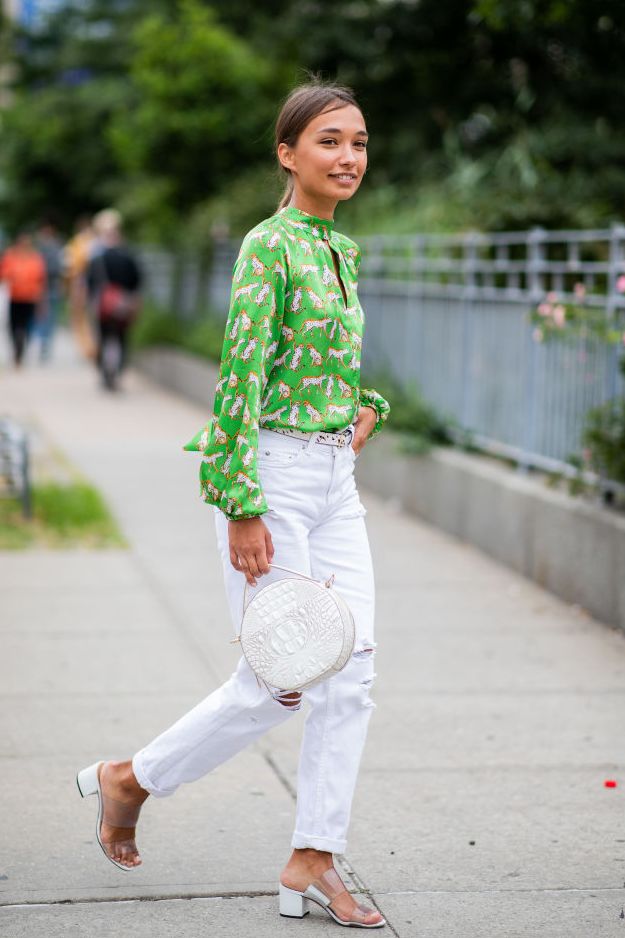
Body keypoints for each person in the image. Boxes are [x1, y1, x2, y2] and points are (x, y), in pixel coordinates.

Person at [76, 82, 390, 929]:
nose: (348, 157)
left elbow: (307, 356)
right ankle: (130, 780)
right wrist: (241, 499)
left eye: (358, 142)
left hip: (333, 479)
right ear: (288, 155)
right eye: (329, 141)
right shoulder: (267, 245)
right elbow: (239, 378)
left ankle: (312, 856)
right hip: (271, 476)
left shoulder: (338, 250)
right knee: (277, 683)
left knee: (351, 674)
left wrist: (364, 406)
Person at [85, 209, 142, 390]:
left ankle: (104, 373)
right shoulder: (128, 257)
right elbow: (136, 281)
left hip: (103, 304)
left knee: (103, 336)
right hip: (123, 304)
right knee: (122, 337)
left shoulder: (97, 258)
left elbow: (90, 283)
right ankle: (117, 371)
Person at [0, 231, 46, 366]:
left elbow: (40, 279)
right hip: (15, 297)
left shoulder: (35, 258)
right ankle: (17, 349)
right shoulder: (11, 257)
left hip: (30, 297)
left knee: (27, 325)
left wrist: (40, 298)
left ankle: (22, 348)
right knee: (14, 325)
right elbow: (4, 274)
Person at [34, 219, 64, 361]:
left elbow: (58, 268)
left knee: (48, 317)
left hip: (50, 287)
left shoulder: (52, 247)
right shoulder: (39, 247)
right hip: (40, 287)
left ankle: (45, 344)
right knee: (42, 317)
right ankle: (42, 343)